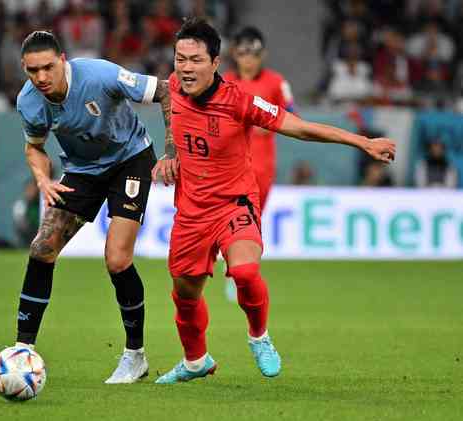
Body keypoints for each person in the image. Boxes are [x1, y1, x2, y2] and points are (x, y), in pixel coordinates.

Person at [151, 18, 395, 384]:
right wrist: (170, 151)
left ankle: (259, 336)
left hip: (235, 202)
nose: (185, 68)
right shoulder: (172, 86)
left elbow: (300, 127)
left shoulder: (240, 102)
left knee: (246, 272)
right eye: (180, 58)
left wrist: (362, 142)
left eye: (195, 60)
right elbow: (169, 109)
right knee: (185, 295)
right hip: (190, 210)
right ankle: (195, 360)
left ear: (215, 63)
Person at [0, 31, 173, 384]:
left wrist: (172, 150)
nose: (41, 77)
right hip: (82, 171)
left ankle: (135, 356)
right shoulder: (29, 101)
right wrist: (41, 178)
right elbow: (34, 147)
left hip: (130, 159)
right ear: (24, 69)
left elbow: (164, 90)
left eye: (48, 68)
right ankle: (22, 353)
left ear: (63, 60)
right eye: (32, 70)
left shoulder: (99, 75)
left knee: (117, 259)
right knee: (41, 249)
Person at [223, 26, 295, 301]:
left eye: (253, 53)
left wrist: (270, 126)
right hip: (230, 165)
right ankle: (234, 273)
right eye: (242, 53)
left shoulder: (276, 82)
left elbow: (292, 115)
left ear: (262, 54)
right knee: (227, 220)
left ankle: (241, 273)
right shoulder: (225, 81)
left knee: (252, 222)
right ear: (235, 54)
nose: (248, 59)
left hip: (263, 166)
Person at [12, 177, 41, 248]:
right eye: (28, 190)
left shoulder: (42, 203)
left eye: (32, 190)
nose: (30, 192)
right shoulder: (21, 204)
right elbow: (20, 222)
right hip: (29, 233)